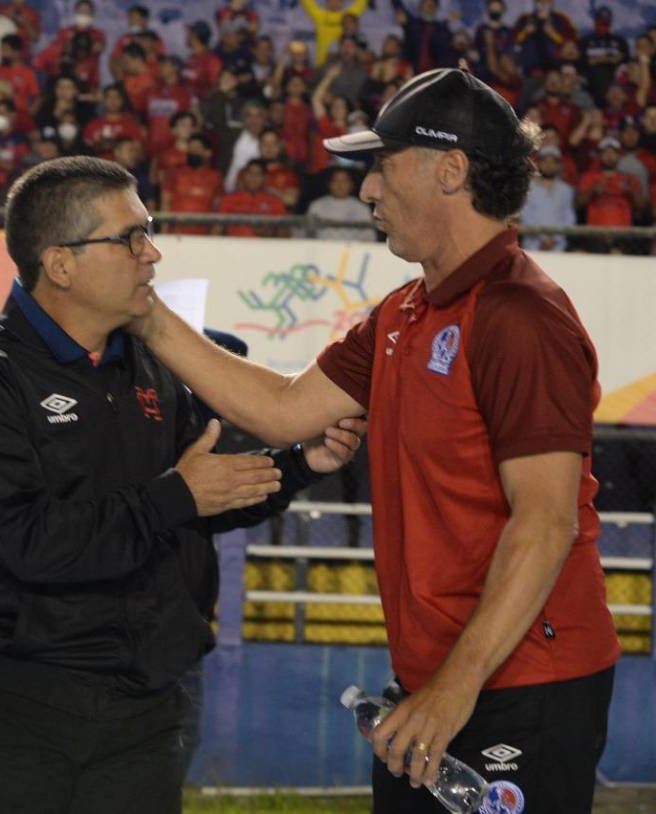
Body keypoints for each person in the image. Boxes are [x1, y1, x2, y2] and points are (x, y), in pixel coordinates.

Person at [132, 68, 619, 814]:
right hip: (443, 682)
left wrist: (455, 688)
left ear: (450, 170)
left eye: (382, 166)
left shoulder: (524, 318)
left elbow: (546, 520)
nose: (366, 191)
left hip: (519, 685)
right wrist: (146, 315)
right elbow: (286, 408)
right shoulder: (405, 311)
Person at [0, 156, 363, 813]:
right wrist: (176, 494)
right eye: (129, 237)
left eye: (149, 230)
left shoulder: (153, 365)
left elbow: (199, 501)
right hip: (16, 703)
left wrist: (301, 463)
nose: (151, 254)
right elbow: (31, 542)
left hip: (146, 702)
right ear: (61, 263)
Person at [519, 145, 575, 252]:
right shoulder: (527, 187)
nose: (549, 165)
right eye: (545, 161)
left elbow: (568, 217)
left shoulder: (566, 190)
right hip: (532, 246)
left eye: (554, 161)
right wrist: (543, 239)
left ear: (559, 165)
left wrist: (555, 239)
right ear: (538, 163)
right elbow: (525, 215)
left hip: (559, 247)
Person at [305, 166, 374, 241]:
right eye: (335, 180)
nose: (340, 185)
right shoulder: (316, 205)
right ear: (329, 184)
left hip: (353, 250)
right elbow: (308, 233)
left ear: (351, 185)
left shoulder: (362, 208)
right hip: (323, 249)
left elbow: (369, 235)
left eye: (344, 181)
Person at [299, 0, 367, 66]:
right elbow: (307, 2)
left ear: (342, 2)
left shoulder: (348, 16)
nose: (335, 2)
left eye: (338, 0)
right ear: (327, 2)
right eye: (331, 0)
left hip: (344, 66)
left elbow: (361, 2)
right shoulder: (319, 16)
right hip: (322, 64)